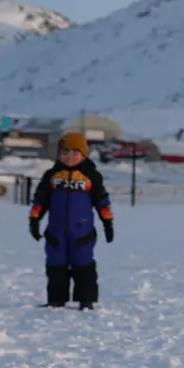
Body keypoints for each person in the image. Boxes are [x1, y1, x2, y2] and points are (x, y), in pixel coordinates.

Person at [29, 132, 114, 309]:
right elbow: (40, 199)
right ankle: (56, 300)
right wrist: (34, 220)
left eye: (75, 153)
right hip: (56, 231)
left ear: (84, 154)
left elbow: (102, 202)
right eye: (65, 152)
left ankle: (86, 300)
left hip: (82, 231)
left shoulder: (91, 176)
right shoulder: (52, 175)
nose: (70, 157)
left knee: (83, 264)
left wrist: (107, 223)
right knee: (55, 265)